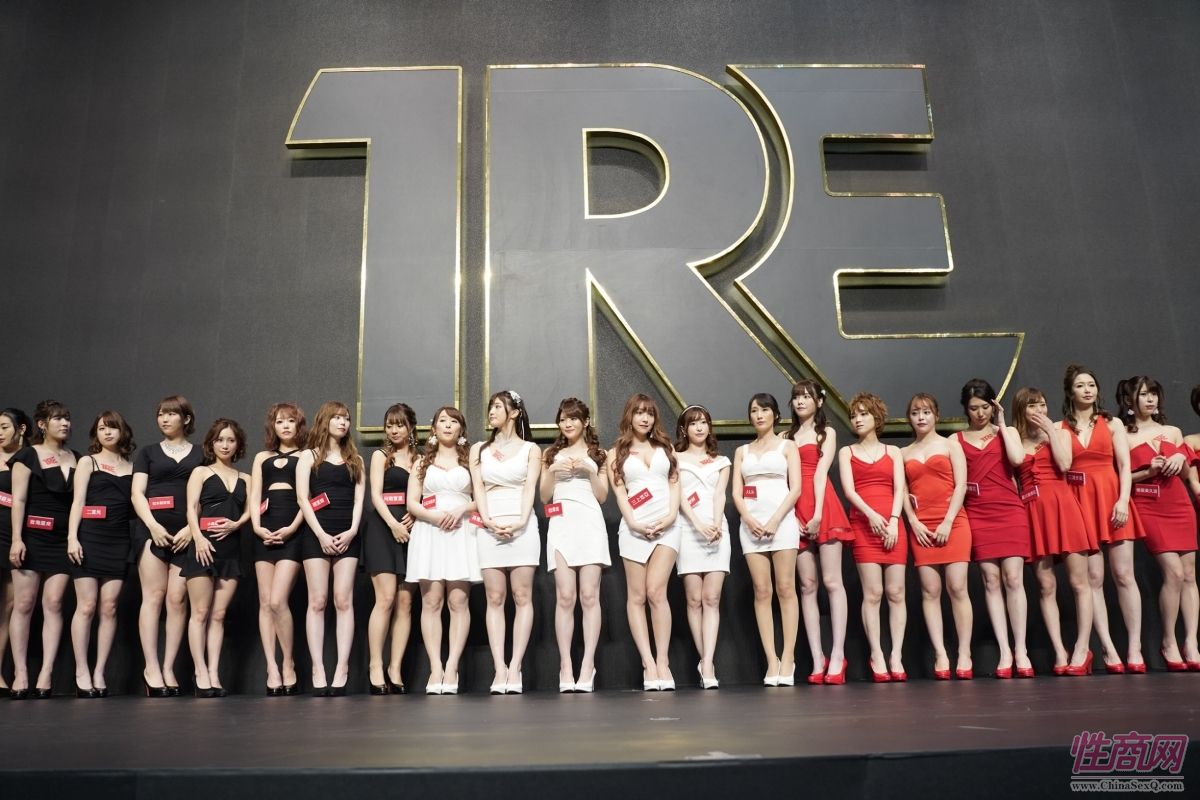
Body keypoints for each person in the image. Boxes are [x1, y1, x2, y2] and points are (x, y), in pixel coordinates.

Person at [1061, 365, 1144, 673]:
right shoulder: (1060, 427)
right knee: (1093, 579)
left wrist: (1123, 500)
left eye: (1091, 385)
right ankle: (1108, 649)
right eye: (1080, 385)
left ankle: (1134, 648)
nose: (1087, 390)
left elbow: (1124, 467)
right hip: (1080, 502)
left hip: (1112, 498)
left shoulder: (1112, 423)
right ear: (1070, 392)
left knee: (1124, 575)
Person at [1012, 387, 1096, 676]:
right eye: (1032, 406)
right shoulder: (1014, 439)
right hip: (1033, 513)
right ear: (1021, 410)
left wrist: (1050, 430)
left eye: (1042, 404)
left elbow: (1065, 464)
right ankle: (1060, 651)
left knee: (1079, 582)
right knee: (1046, 585)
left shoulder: (1060, 433)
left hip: (1064, 507)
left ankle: (1083, 648)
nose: (1039, 410)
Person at [1120, 377, 1199, 671]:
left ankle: (1191, 641)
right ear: (1130, 400)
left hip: (1179, 503)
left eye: (1153, 393)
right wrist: (1146, 472)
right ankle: (1168, 640)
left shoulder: (1173, 431)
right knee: (1174, 572)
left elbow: (1186, 474)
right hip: (1147, 505)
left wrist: (1180, 457)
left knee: (1189, 574)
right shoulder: (1122, 434)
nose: (1150, 399)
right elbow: (1119, 477)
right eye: (1143, 394)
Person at [957, 380, 1034, 678]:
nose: (980, 413)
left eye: (985, 407)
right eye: (973, 408)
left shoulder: (1008, 431)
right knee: (991, 581)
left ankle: (1021, 649)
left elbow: (1017, 459)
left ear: (994, 406)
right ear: (965, 409)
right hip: (977, 513)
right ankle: (1004, 651)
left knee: (1013, 578)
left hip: (1010, 510)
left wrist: (1001, 424)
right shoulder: (956, 440)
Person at [130, 394, 203, 696]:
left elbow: (205, 493)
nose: (164, 419)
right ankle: (151, 668)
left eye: (171, 414)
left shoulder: (201, 453)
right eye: (161, 414)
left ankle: (169, 667)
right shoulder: (147, 453)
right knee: (153, 596)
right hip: (152, 532)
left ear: (186, 419)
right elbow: (137, 493)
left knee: (177, 599)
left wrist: (191, 529)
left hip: (187, 533)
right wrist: (152, 526)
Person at [608, 393, 680, 691]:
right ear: (629, 415)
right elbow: (619, 493)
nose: (645, 418)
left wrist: (671, 516)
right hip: (634, 527)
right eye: (639, 412)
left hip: (667, 526)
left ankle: (663, 661)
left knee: (656, 591)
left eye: (649, 413)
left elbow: (675, 484)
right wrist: (634, 523)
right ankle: (648, 663)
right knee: (637, 596)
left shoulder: (666, 447)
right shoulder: (616, 453)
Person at [471, 390, 541, 694]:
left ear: (514, 412)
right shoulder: (478, 449)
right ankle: (499, 668)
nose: (492, 412)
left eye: (498, 407)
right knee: (494, 597)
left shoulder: (531, 449)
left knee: (522, 595)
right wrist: (487, 520)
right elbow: (478, 489)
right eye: (491, 407)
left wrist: (521, 521)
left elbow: (530, 489)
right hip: (490, 524)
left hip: (521, 524)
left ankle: (515, 667)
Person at [8, 400, 79, 698]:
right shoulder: (27, 455)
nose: (64, 424)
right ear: (42, 424)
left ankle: (46, 673)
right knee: (24, 604)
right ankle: (21, 673)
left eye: (67, 419)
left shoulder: (77, 457)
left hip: (63, 540)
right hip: (32, 536)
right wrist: (17, 538)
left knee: (54, 603)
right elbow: (18, 500)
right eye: (58, 419)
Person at [900, 394, 974, 679]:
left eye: (926, 412)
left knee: (957, 587)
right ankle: (941, 654)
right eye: (915, 412)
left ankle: (964, 653)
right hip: (922, 526)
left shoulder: (951, 444)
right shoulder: (903, 453)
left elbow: (961, 485)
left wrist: (948, 521)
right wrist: (913, 521)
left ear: (936, 415)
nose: (921, 417)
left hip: (953, 522)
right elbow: (902, 492)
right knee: (930, 591)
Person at [406, 406, 478, 694]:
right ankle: (435, 667)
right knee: (431, 601)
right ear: (433, 428)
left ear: (461, 429)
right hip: (430, 531)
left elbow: (482, 499)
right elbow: (412, 502)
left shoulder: (471, 461)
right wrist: (433, 517)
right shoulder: (421, 462)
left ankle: (452, 668)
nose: (448, 425)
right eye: (443, 421)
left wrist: (462, 509)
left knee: (458, 601)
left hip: (462, 531)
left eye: (453, 421)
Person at [733, 393, 802, 686]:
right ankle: (771, 660)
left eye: (764, 410)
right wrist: (749, 519)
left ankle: (788, 658)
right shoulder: (742, 451)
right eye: (754, 410)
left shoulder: (788, 446)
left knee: (785, 588)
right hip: (751, 525)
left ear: (775, 414)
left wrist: (775, 520)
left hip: (782, 522)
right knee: (762, 591)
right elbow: (737, 492)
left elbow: (796, 488)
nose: (759, 415)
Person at [296, 401, 366, 696]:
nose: (342, 422)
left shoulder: (355, 459)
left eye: (346, 418)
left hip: (347, 534)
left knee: (343, 600)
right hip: (317, 534)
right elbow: (302, 498)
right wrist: (321, 535)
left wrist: (351, 531)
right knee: (317, 601)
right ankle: (318, 668)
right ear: (324, 421)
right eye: (337, 417)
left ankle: (342, 668)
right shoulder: (308, 456)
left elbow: (360, 499)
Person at [541, 398, 609, 693]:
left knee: (589, 596)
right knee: (565, 597)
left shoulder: (599, 453)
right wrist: (553, 470)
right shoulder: (550, 454)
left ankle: (587, 665)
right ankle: (566, 665)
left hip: (590, 522)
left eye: (573, 419)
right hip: (561, 524)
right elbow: (544, 496)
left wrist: (590, 470)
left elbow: (603, 496)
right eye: (563, 419)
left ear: (585, 422)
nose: (567, 424)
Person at [839, 393, 908, 682]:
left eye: (863, 414)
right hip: (864, 525)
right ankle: (877, 654)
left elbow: (900, 488)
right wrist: (871, 515)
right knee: (873, 592)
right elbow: (849, 491)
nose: (857, 419)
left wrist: (892, 521)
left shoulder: (893, 451)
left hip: (892, 525)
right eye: (854, 415)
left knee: (896, 592)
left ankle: (896, 655)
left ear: (876, 417)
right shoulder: (847, 452)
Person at [787, 380, 852, 685]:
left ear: (819, 401)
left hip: (823, 506)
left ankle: (838, 655)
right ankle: (817, 657)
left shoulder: (827, 433)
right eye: (796, 397)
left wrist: (816, 515)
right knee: (807, 585)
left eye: (806, 396)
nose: (800, 401)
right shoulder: (785, 437)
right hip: (794, 510)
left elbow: (821, 473)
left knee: (832, 581)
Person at [66, 411, 135, 697]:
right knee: (86, 606)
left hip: (119, 540)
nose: (107, 432)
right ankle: (81, 670)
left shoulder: (132, 467)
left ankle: (99, 671)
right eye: (102, 428)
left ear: (122, 432)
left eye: (112, 428)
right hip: (89, 537)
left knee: (109, 607)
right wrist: (72, 538)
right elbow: (78, 501)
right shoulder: (88, 461)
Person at [182, 419, 250, 697]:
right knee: (199, 613)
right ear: (211, 443)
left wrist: (237, 524)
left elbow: (250, 511)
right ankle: (200, 672)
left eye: (230, 440)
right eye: (220, 440)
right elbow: (191, 508)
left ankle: (213, 673)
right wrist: (198, 538)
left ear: (238, 444)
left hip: (231, 550)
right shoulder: (200, 472)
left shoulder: (246, 478)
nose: (225, 445)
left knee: (219, 615)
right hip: (203, 547)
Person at [248, 402, 307, 695]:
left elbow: (307, 498)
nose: (285, 426)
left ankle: (288, 662)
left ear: (299, 425)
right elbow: (255, 495)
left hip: (292, 531)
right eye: (280, 421)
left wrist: (293, 527)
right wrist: (257, 527)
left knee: (277, 600)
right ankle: (271, 666)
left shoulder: (307, 455)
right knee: (264, 601)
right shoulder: (262, 457)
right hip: (264, 531)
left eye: (290, 421)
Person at [673, 405, 731, 689]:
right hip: (687, 530)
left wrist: (716, 524)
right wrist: (697, 524)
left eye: (704, 422)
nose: (699, 427)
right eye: (693, 423)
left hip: (717, 531)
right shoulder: (674, 458)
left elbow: (720, 495)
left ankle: (707, 663)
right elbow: (679, 496)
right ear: (684, 429)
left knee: (712, 598)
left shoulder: (722, 461)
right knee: (694, 599)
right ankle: (705, 659)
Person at [363, 403, 417, 695]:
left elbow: (425, 497)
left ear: (411, 427)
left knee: (405, 603)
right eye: (389, 425)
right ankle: (375, 665)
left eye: (399, 425)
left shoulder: (422, 459)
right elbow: (375, 495)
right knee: (384, 599)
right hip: (383, 529)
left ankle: (395, 668)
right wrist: (394, 524)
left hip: (413, 532)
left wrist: (415, 517)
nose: (394, 430)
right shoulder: (380, 456)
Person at [0, 407, 33, 697]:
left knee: (9, 606)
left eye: (4, 427)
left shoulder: (30, 457)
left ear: (21, 429)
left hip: (17, 536)